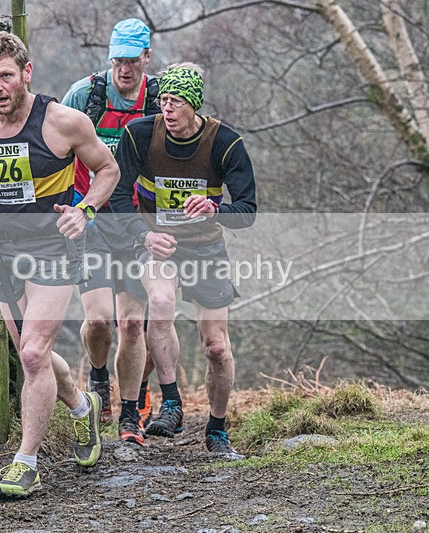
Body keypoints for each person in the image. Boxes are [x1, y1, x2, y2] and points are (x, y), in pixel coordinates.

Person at [0, 31, 121, 498]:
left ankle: (26, 463)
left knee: (31, 355)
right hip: (2, 249)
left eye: (5, 76)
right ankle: (82, 407)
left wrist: (84, 212)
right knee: (31, 351)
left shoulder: (64, 122)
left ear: (27, 73)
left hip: (53, 247)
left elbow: (108, 169)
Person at [110, 63, 257, 457]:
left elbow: (247, 211)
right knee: (159, 302)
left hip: (205, 247)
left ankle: (217, 429)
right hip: (157, 242)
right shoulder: (140, 134)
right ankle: (172, 402)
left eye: (176, 101)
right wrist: (144, 235)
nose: (168, 109)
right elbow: (118, 196)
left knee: (216, 347)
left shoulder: (225, 143)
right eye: (163, 100)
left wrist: (215, 209)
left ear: (194, 104)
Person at [61, 18, 160, 445]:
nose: (124, 69)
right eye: (118, 60)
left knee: (133, 324)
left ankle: (130, 413)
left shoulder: (158, 99)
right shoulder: (85, 95)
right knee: (100, 319)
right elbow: (56, 146)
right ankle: (99, 377)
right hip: (92, 218)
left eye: (132, 61)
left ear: (146, 57)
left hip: (136, 223)